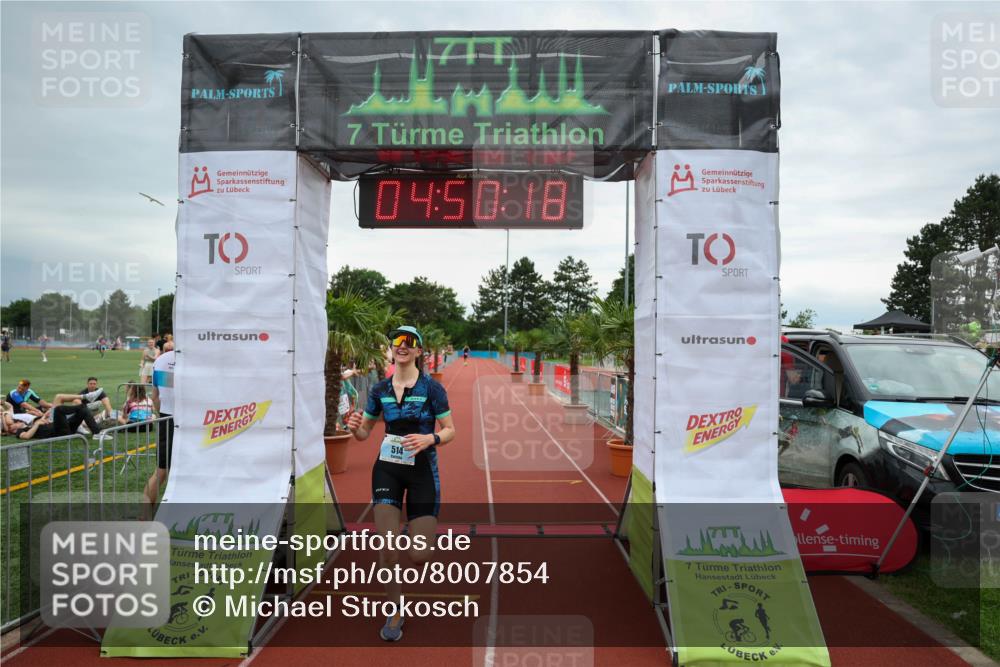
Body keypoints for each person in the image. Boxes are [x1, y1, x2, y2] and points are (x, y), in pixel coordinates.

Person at [345, 326, 455, 642]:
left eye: (409, 342)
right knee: (387, 551)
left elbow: (450, 430)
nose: (401, 346)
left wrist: (430, 438)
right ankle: (395, 608)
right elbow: (365, 432)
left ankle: (413, 528)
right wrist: (355, 428)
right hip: (387, 471)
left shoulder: (432, 389)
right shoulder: (379, 390)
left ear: (419, 351)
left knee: (419, 555)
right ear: (392, 349)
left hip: (422, 473)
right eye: (397, 342)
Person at [144, 341, 175, 515]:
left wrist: (162, 413)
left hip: (165, 417)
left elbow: (155, 396)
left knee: (161, 471)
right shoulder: (192, 360)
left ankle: (144, 514)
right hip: (185, 420)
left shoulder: (160, 360)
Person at [4, 402, 106, 441]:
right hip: (59, 433)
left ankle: (97, 433)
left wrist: (43, 418)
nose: (15, 423)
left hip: (65, 428)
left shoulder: (29, 424)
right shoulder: (20, 432)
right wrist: (37, 424)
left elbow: (9, 407)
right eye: (13, 425)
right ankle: (83, 406)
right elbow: (26, 436)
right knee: (58, 409)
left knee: (83, 411)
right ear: (13, 430)